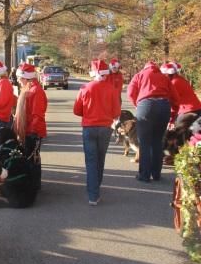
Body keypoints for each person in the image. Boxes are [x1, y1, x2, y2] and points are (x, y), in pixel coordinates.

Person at [73, 59, 121, 205]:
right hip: (105, 128)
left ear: (92, 73)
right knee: (100, 159)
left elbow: (77, 110)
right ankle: (95, 188)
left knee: (91, 160)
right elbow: (116, 112)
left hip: (89, 128)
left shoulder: (84, 88)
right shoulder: (112, 89)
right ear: (106, 74)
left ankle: (93, 193)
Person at [127, 61, 180, 182]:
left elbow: (130, 93)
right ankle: (156, 174)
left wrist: (138, 104)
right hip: (163, 107)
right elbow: (176, 98)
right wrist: (172, 115)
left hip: (146, 105)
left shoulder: (139, 75)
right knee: (158, 141)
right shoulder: (164, 77)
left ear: (145, 67)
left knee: (144, 143)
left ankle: (144, 176)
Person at [14, 63, 48, 190]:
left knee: (32, 159)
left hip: (32, 131)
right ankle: (32, 184)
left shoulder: (36, 91)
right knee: (31, 159)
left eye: (19, 78)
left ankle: (34, 185)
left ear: (25, 78)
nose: (17, 80)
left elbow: (37, 115)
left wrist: (32, 133)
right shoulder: (28, 89)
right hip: (27, 130)